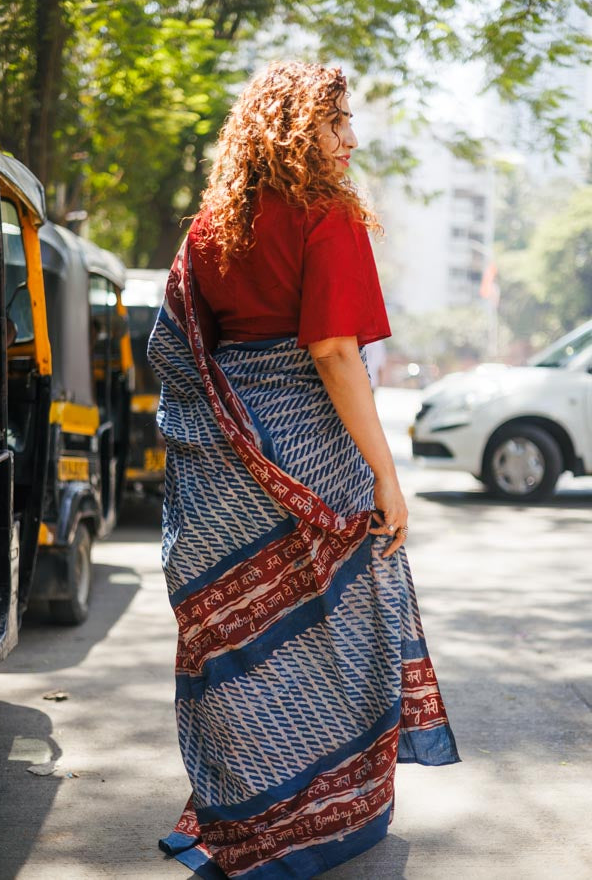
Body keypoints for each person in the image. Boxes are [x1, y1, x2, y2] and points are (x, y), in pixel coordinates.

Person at [148, 61, 459, 879]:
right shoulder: (327, 216)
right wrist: (386, 477)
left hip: (222, 465)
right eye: (336, 123)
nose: (351, 138)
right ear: (293, 129)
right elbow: (331, 350)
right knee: (345, 627)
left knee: (239, 645)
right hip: (313, 451)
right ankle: (319, 821)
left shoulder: (209, 226)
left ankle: (249, 821)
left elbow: (182, 351)